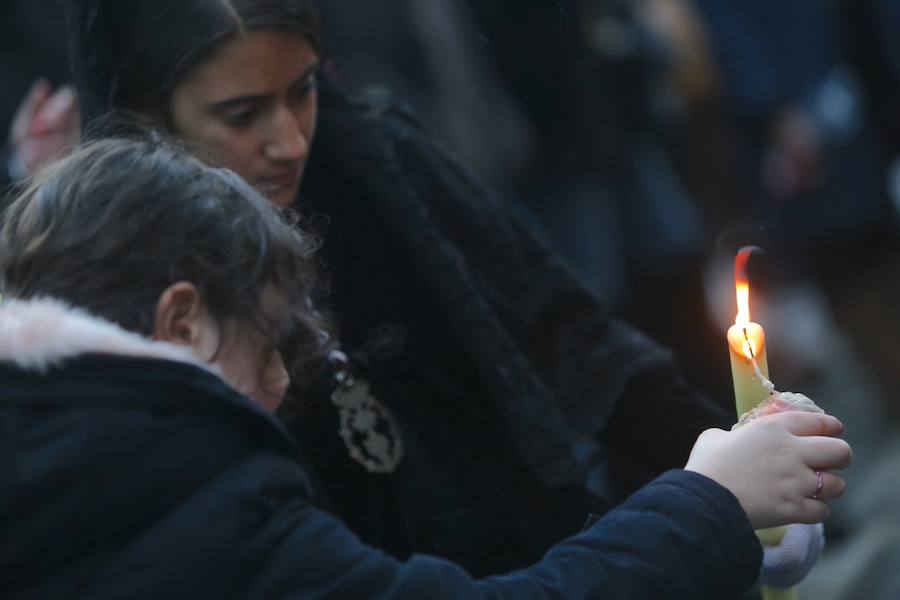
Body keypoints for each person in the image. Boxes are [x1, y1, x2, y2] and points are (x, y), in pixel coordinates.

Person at [33, 0, 826, 586]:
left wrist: (724, 462)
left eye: (302, 91)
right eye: (241, 114)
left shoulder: (378, 161)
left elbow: (567, 335)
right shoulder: (122, 309)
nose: (289, 140)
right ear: (144, 112)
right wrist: (711, 505)